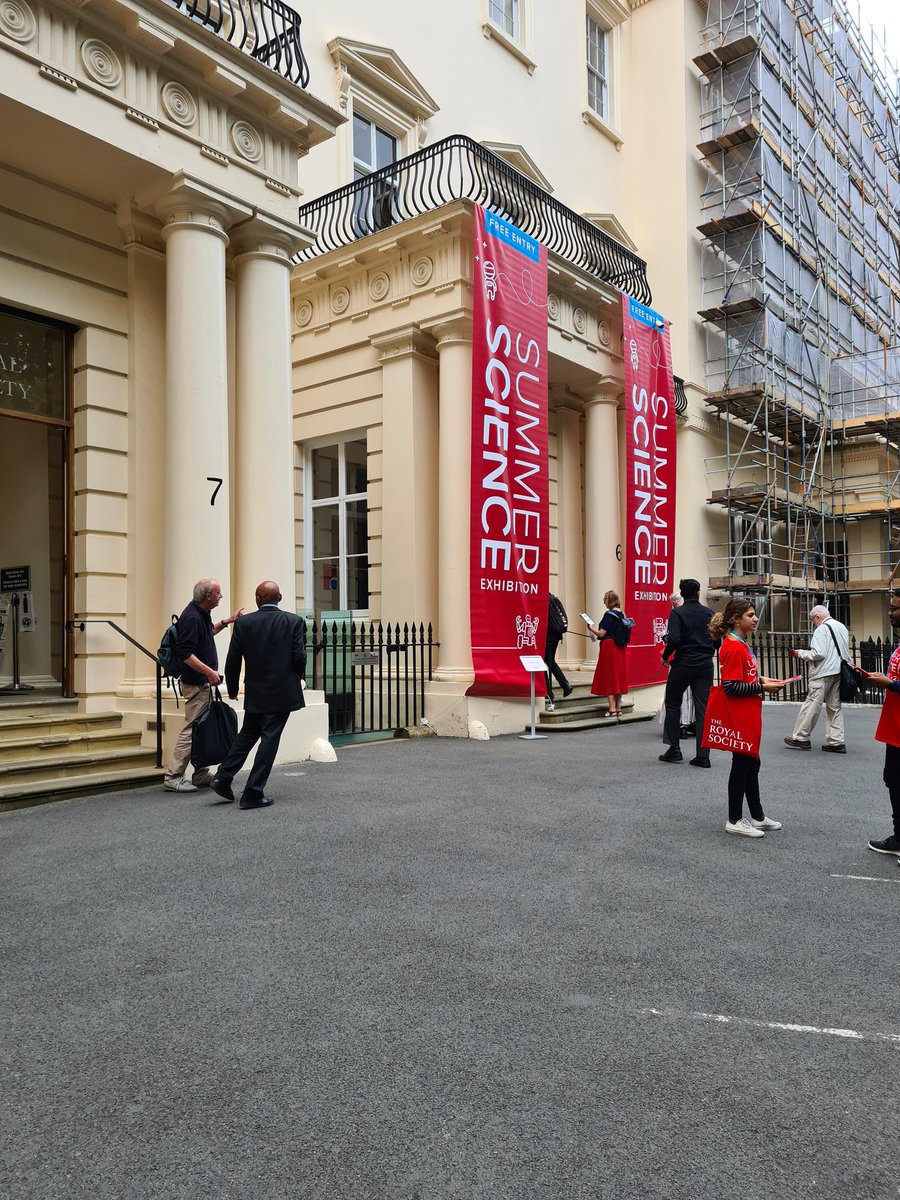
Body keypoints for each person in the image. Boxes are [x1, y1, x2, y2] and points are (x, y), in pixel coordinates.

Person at [211, 580, 307, 810]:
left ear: (257, 599)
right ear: (280, 599)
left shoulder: (244, 624)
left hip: (255, 690)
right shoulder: (294, 622)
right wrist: (297, 677)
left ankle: (223, 777)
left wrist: (232, 688)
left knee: (247, 734)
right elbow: (300, 656)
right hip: (282, 691)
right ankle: (253, 791)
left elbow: (233, 659)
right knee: (269, 738)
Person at [708, 598, 787, 837]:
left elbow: (744, 677)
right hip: (740, 712)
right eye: (750, 615)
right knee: (742, 765)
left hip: (748, 711)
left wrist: (760, 680)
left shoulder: (740, 643)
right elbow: (730, 687)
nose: (755, 618)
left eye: (754, 614)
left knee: (752, 764)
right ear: (736, 619)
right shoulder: (732, 646)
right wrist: (763, 688)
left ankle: (757, 816)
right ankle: (734, 819)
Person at [163, 578, 242, 793]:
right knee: (192, 729)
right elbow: (184, 653)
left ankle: (199, 773)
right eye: (218, 593)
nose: (221, 596)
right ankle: (173, 776)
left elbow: (208, 633)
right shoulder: (191, 617)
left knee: (201, 729)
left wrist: (227, 621)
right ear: (208, 596)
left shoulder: (201, 614)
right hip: (196, 683)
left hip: (201, 682)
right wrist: (208, 672)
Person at [861, 590, 900, 860]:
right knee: (893, 780)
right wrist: (883, 679)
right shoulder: (898, 646)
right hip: (893, 726)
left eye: (895, 608)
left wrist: (891, 684)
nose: (890, 612)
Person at [659, 579, 715, 767]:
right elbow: (717, 642)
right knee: (702, 709)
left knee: (673, 703)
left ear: (682, 594)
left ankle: (674, 749)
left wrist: (666, 656)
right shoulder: (710, 613)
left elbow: (674, 639)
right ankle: (703, 755)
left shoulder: (677, 613)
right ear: (698, 593)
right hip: (705, 665)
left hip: (683, 663)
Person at [783, 604, 850, 753]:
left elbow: (818, 653)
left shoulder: (822, 629)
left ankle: (801, 737)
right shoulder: (842, 627)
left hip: (822, 673)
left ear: (818, 617)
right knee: (834, 707)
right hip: (838, 672)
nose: (813, 623)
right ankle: (836, 742)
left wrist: (799, 653)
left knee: (812, 704)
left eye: (813, 620)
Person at [587, 589, 628, 719]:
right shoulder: (623, 614)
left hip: (609, 647)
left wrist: (590, 627)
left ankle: (611, 709)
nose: (603, 601)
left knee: (609, 676)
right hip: (620, 647)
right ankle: (619, 708)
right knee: (618, 676)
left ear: (609, 600)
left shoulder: (609, 615)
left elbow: (601, 634)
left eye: (605, 599)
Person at [544, 593, 574, 712]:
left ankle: (548, 692)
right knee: (550, 661)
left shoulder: (544, 599)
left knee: (542, 663)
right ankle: (565, 685)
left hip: (548, 636)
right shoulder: (554, 599)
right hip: (556, 635)